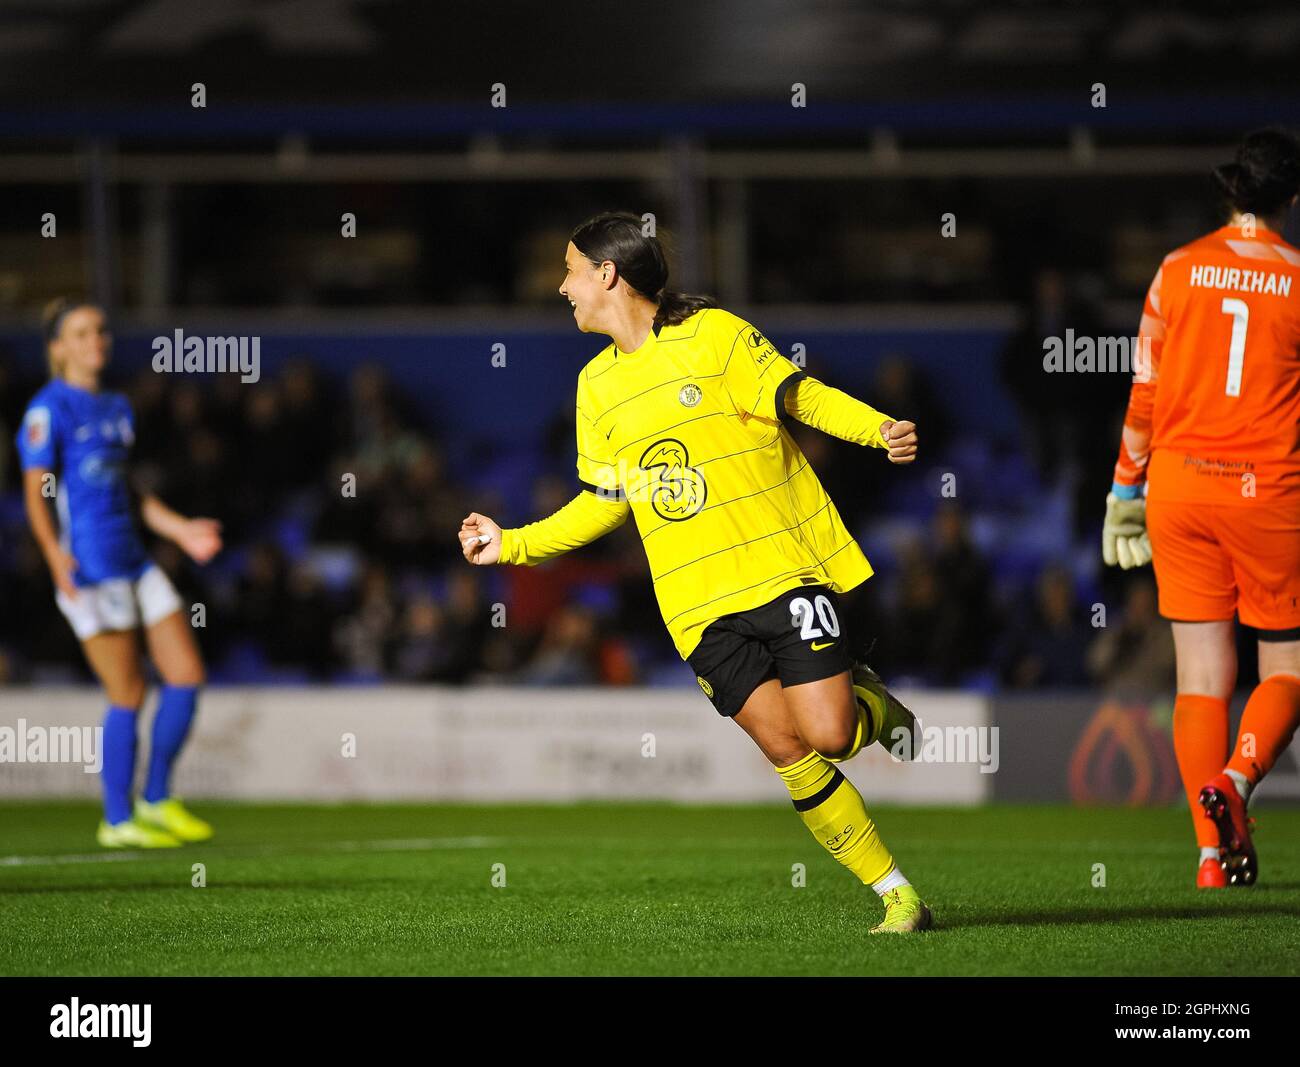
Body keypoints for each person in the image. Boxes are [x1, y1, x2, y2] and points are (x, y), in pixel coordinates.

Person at [459, 212, 931, 933]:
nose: (561, 288)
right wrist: (512, 543)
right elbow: (605, 503)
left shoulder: (715, 337)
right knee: (786, 749)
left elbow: (798, 394)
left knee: (831, 735)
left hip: (781, 570)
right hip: (695, 607)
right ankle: (898, 895)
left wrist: (878, 428)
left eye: (569, 270)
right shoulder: (595, 388)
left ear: (607, 273)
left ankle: (877, 711)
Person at [1102, 128, 1300, 888]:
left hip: (1178, 487)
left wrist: (1125, 490)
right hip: (1267, 488)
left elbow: (1144, 392)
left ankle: (1212, 857)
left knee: (1200, 677)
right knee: (1284, 667)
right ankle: (1239, 781)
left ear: (1229, 192)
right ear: (1290, 198)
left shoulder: (1176, 270)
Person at [17, 299, 221, 848]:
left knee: (184, 675)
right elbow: (36, 493)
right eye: (81, 333)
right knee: (128, 691)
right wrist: (54, 555)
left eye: (101, 331)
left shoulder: (115, 407)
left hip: (135, 559)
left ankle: (156, 798)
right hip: (92, 567)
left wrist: (177, 530)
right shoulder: (48, 409)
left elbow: (127, 490)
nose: (96, 340)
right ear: (58, 347)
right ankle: (116, 818)